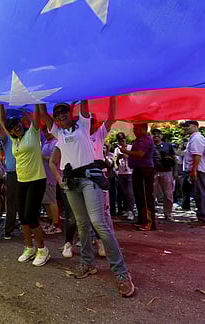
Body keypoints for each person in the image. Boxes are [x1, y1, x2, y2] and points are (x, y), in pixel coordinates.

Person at [40, 98, 135, 297]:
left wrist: (83, 89)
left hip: (89, 179)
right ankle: (87, 263)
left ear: (71, 113)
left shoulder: (83, 125)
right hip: (71, 183)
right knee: (82, 224)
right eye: (57, 114)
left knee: (99, 223)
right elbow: (43, 113)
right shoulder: (58, 133)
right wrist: (37, 98)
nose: (60, 115)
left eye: (64, 111)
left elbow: (85, 102)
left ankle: (121, 272)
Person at [0, 104, 50, 267]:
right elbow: (2, 122)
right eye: (12, 127)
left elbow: (37, 116)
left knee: (31, 216)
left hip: (37, 180)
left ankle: (42, 249)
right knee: (23, 217)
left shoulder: (33, 133)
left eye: (17, 124)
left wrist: (34, 100)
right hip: (22, 181)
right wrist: (1, 103)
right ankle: (29, 247)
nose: (16, 127)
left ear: (22, 124)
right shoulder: (14, 140)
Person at [120, 123, 155, 230]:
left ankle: (149, 222)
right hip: (138, 170)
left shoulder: (145, 140)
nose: (134, 130)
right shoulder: (139, 140)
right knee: (139, 196)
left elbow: (140, 154)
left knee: (145, 196)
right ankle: (142, 219)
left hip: (145, 170)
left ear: (144, 129)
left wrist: (126, 151)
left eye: (136, 128)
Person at [181, 120, 205, 225]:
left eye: (187, 126)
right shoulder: (193, 138)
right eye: (184, 126)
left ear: (195, 126)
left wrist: (194, 170)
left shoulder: (197, 138)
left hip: (198, 169)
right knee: (198, 193)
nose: (185, 128)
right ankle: (201, 216)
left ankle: (203, 218)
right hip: (197, 169)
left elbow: (197, 155)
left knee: (200, 193)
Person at [151, 128, 177, 221]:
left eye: (158, 134)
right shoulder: (150, 146)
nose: (156, 136)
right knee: (152, 193)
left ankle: (168, 213)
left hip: (167, 171)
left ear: (162, 136)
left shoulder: (168, 145)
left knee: (168, 194)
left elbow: (174, 159)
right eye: (154, 134)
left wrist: (175, 171)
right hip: (153, 172)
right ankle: (151, 212)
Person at [41, 127, 62, 234]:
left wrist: (42, 157)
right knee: (46, 201)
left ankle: (56, 224)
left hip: (52, 176)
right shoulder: (45, 142)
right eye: (44, 131)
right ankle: (51, 222)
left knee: (52, 200)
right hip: (44, 176)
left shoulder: (56, 143)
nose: (46, 133)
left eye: (47, 130)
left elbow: (55, 159)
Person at [113, 132, 135, 221]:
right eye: (119, 140)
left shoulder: (131, 147)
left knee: (130, 193)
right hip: (121, 173)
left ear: (125, 139)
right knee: (125, 193)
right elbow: (115, 163)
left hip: (130, 172)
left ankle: (131, 211)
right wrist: (119, 157)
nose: (121, 142)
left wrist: (128, 155)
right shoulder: (117, 149)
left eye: (122, 140)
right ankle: (126, 209)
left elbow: (135, 158)